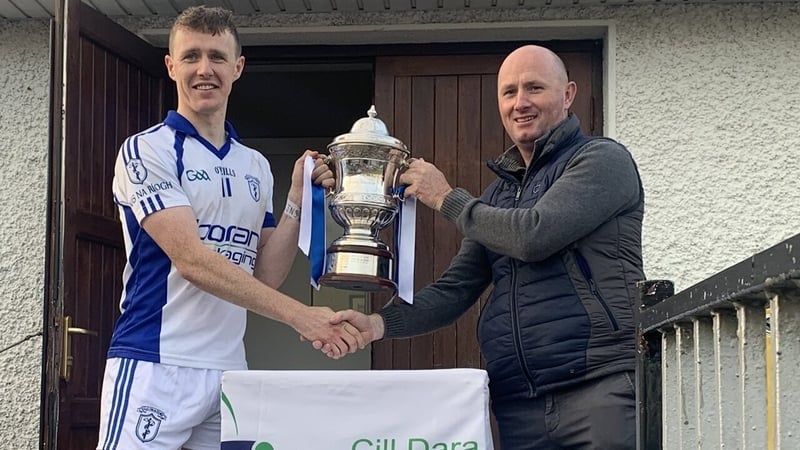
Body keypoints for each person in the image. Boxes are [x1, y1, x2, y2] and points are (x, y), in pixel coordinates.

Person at [324, 45, 644, 449]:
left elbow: (533, 235)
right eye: (509, 92)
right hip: (517, 402)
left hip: (598, 389)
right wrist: (378, 325)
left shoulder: (602, 160)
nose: (520, 103)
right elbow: (455, 289)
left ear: (568, 95)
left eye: (534, 88)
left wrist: (445, 197)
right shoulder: (499, 194)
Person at [96, 6, 363, 450]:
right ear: (171, 65)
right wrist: (301, 316)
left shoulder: (255, 165)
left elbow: (264, 275)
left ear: (237, 67)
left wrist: (297, 195)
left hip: (229, 371)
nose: (205, 70)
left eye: (218, 57)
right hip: (155, 365)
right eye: (192, 56)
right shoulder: (146, 150)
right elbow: (192, 260)